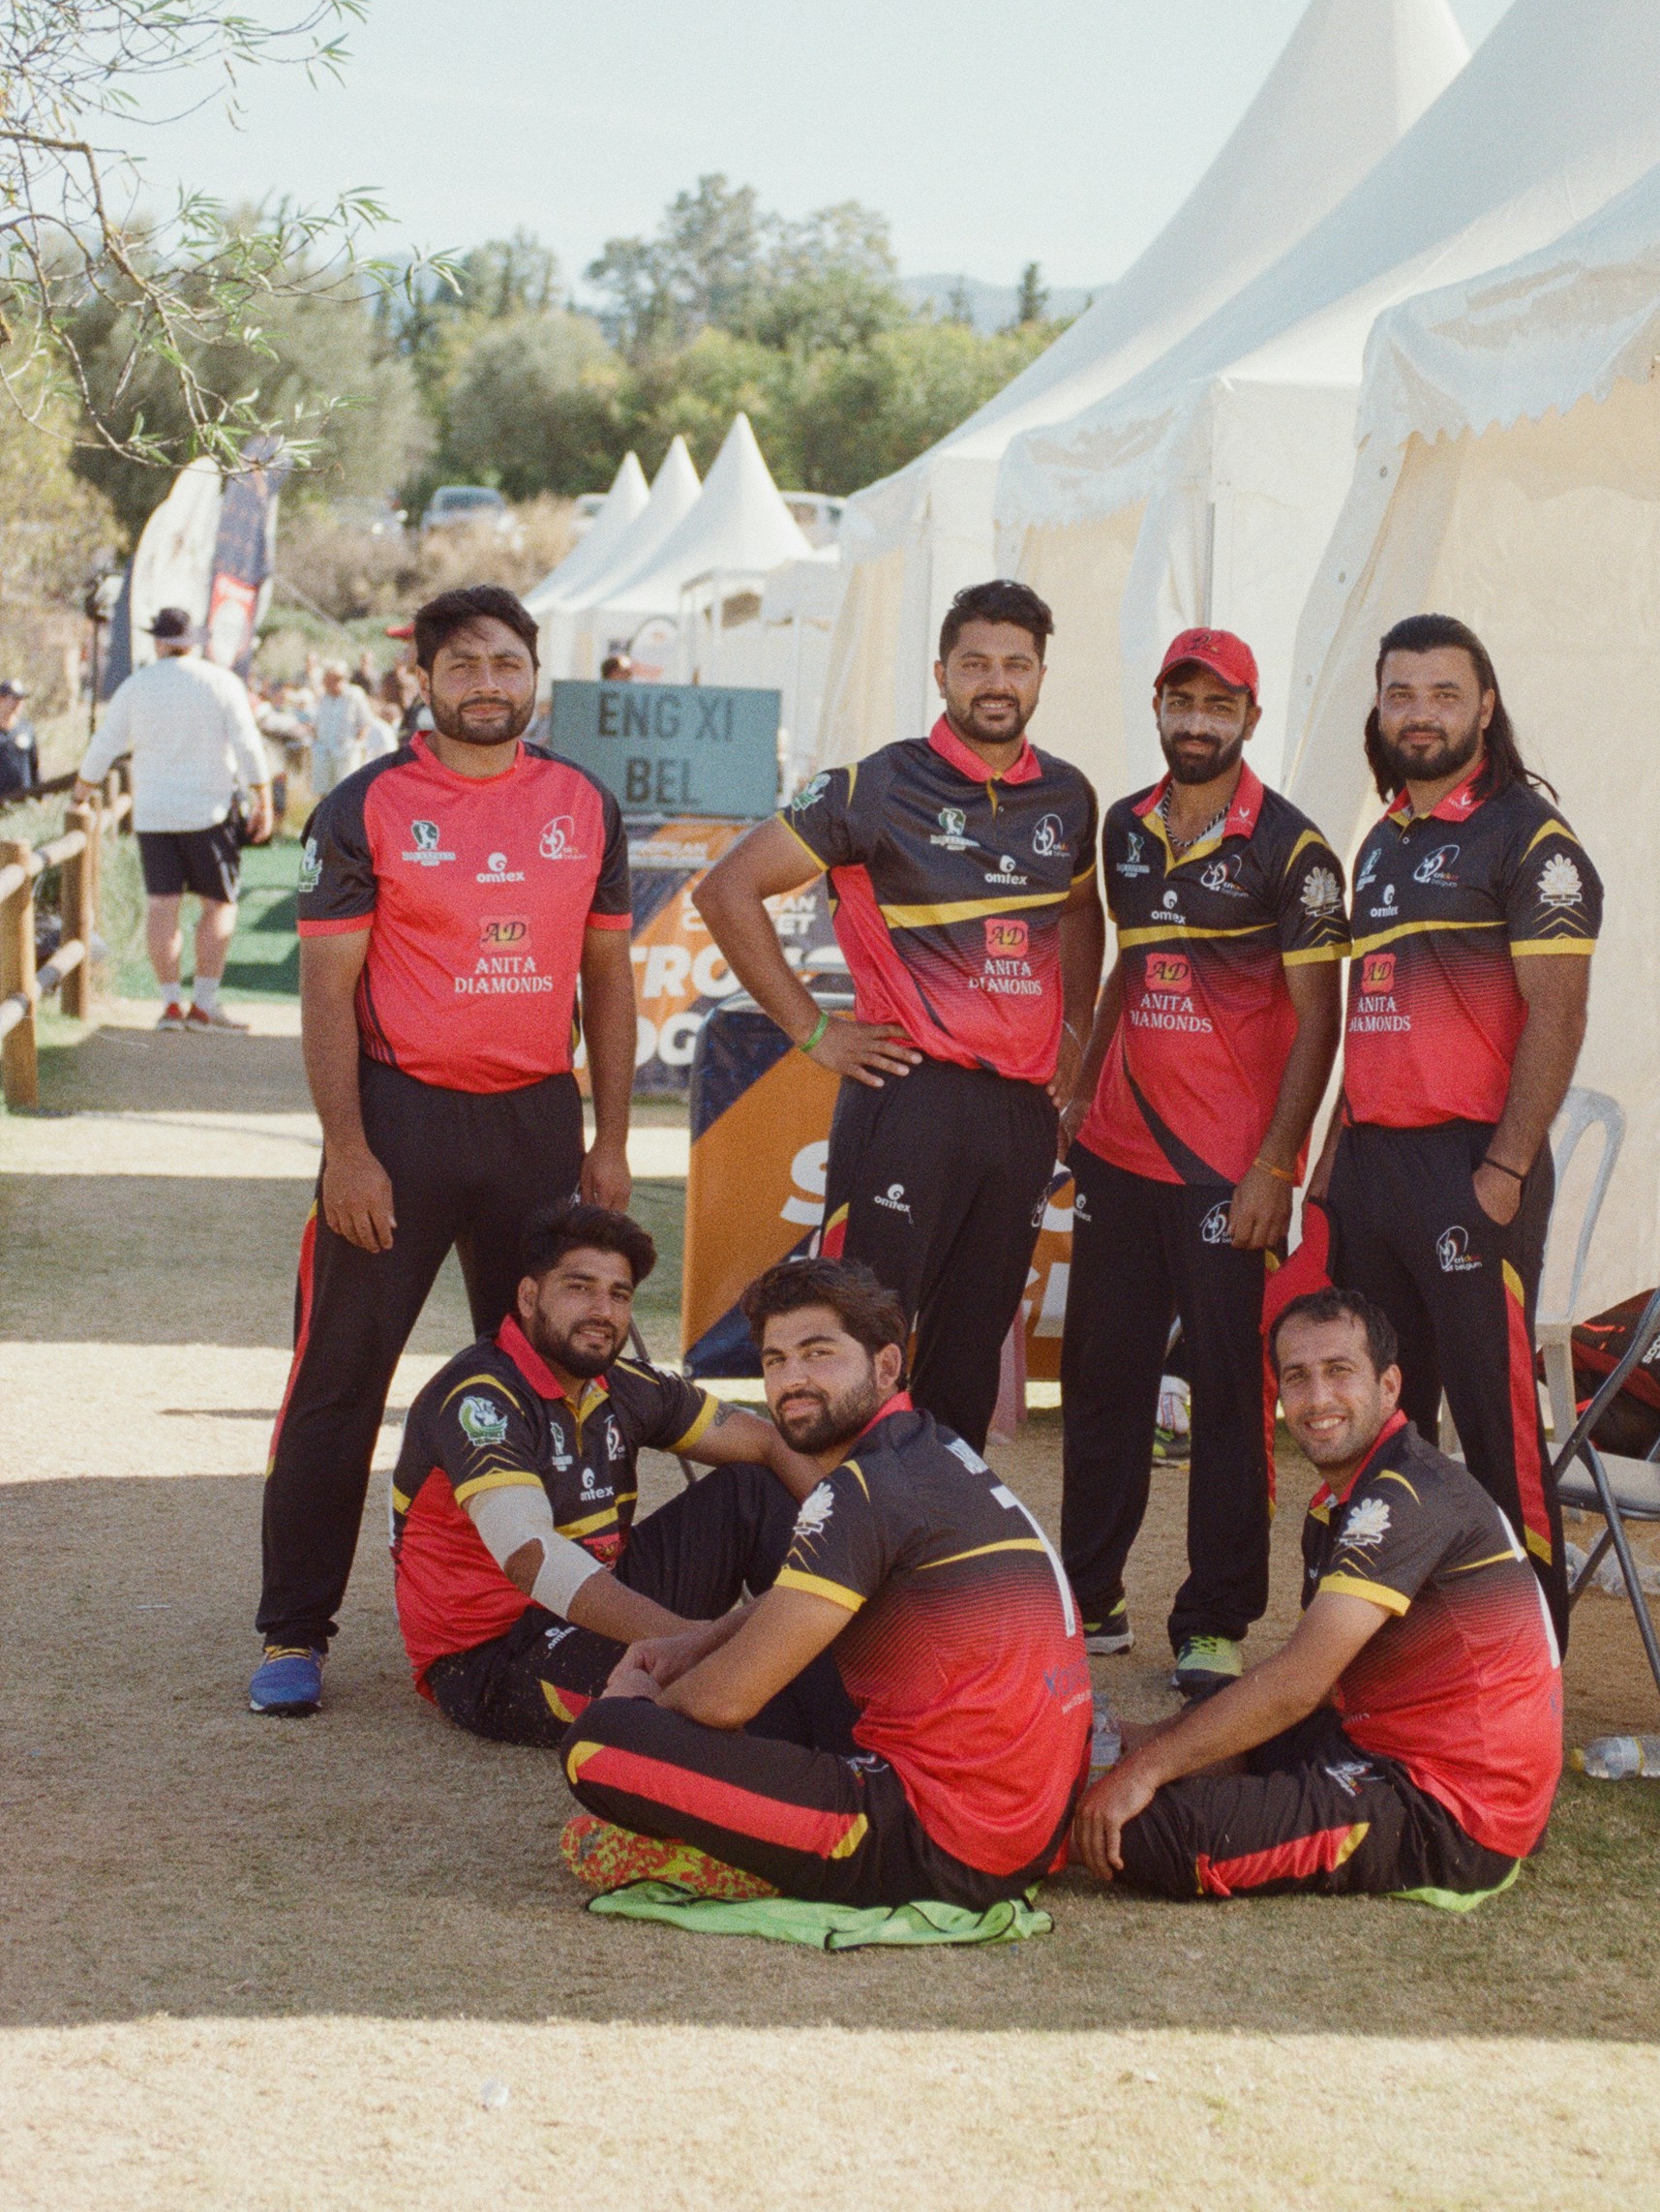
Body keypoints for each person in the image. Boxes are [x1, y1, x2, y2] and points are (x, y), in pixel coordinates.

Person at [254, 583, 638, 1717]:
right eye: (461, 663)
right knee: (338, 1378)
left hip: (535, 1122)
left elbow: (605, 977)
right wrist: (348, 1148)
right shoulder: (368, 804)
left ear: (536, 675)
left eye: (505, 662)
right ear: (422, 680)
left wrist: (610, 1138)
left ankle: (555, 1612)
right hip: (402, 1119)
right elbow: (327, 992)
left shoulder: (583, 803)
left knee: (561, 1375)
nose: (486, 682)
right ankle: (294, 1628)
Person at [696, 579, 1103, 1451]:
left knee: (969, 1346)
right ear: (941, 673)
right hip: (906, 1096)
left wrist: (1075, 1028)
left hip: (1019, 1113)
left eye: (1016, 665)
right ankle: (833, 1540)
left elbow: (1079, 909)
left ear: (1040, 675)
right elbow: (727, 886)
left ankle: (937, 1542)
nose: (997, 682)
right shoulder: (874, 784)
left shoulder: (1068, 797)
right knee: (859, 1337)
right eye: (976, 664)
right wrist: (814, 1029)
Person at [558, 1255, 1094, 1911]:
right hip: (1026, 1817)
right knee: (779, 1672)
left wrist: (643, 1705)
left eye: (818, 1353)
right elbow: (796, 1602)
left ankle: (742, 1857)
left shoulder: (863, 1489)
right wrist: (690, 1645)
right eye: (776, 1360)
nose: (793, 1380)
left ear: (887, 1365)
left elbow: (723, 1702)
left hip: (942, 1843)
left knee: (598, 1744)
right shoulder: (926, 1447)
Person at [1056, 628, 1349, 1701]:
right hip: (1121, 1152)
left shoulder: (1295, 850)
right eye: (1179, 701)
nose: (1195, 721)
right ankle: (1087, 1593)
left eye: (1215, 706)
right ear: (1157, 704)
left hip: (1231, 1170)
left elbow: (1318, 1023)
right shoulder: (1124, 828)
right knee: (1101, 1377)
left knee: (1228, 1392)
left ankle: (1215, 1617)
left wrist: (1277, 1160)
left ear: (1248, 719)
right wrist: (1081, 1084)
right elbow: (1127, 968)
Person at [1074, 1286, 1561, 1903]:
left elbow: (1300, 1683)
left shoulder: (1402, 1497)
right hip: (1376, 1738)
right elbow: (1304, 1692)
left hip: (1448, 1807)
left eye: (1339, 1372)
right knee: (1215, 1717)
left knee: (1148, 1831)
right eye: (1298, 1378)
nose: (1318, 1398)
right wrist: (1144, 1750)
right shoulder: (1350, 1494)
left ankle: (1006, 1810)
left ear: (1390, 1387)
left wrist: (1142, 1772)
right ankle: (1086, 1754)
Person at [1312, 615, 1601, 1643]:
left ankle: (1531, 1655)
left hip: (1470, 1164)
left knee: (1494, 1421)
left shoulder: (1529, 835)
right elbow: (1368, 1012)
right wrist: (1329, 1167)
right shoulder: (1382, 837)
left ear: (1484, 705)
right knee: (1381, 1416)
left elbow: (1557, 1013)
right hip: (1373, 1167)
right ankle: (1399, 1638)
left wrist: (1505, 1166)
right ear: (1378, 707)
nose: (1419, 712)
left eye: (1442, 692)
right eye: (1400, 693)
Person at [392, 1203, 818, 1745]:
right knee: (720, 1690)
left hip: (601, 1593)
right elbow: (530, 1556)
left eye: (619, 1294)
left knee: (753, 1488)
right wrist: (699, 1640)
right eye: (579, 1287)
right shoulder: (481, 1396)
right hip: (492, 1652)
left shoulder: (621, 1383)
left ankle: (851, 1640)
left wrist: (865, 1541)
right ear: (528, 1297)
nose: (602, 1310)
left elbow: (766, 1440)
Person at [73, 606, 273, 1033]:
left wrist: (82, 789)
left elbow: (106, 741)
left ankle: (169, 1004)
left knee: (162, 905)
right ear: (194, 642)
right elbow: (246, 743)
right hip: (209, 812)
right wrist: (263, 797)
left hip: (154, 813)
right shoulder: (221, 682)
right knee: (219, 904)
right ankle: (204, 1002)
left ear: (159, 641)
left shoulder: (136, 685)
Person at [309, 661, 371, 798]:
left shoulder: (355, 695)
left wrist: (356, 746)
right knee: (324, 795)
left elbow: (365, 724)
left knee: (346, 794)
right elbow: (315, 725)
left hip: (346, 753)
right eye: (327, 679)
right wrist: (316, 744)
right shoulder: (323, 697)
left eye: (333, 679)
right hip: (324, 752)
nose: (328, 682)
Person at [0, 679, 39, 803]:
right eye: (14, 698)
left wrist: (41, 797)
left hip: (23, 801)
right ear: (1, 699)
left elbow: (34, 766)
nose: (19, 703)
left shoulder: (26, 729)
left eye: (21, 699)